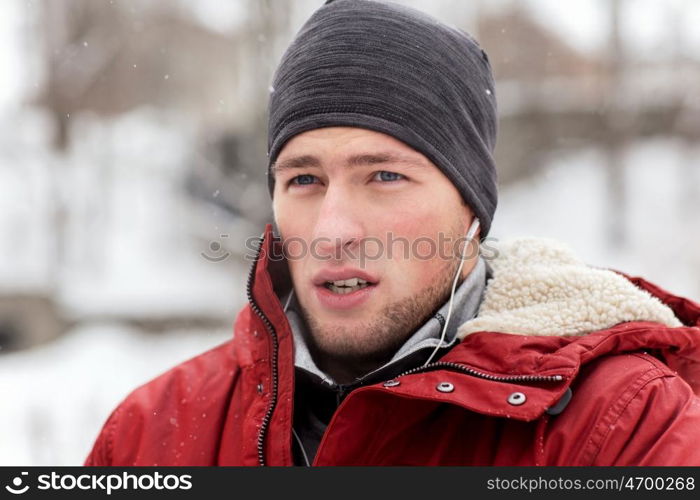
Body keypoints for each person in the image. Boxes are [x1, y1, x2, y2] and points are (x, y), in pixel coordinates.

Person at [85, 0, 700, 466]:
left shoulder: (622, 426)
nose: (333, 231)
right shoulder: (152, 432)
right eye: (303, 179)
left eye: (383, 175)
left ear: (472, 211)